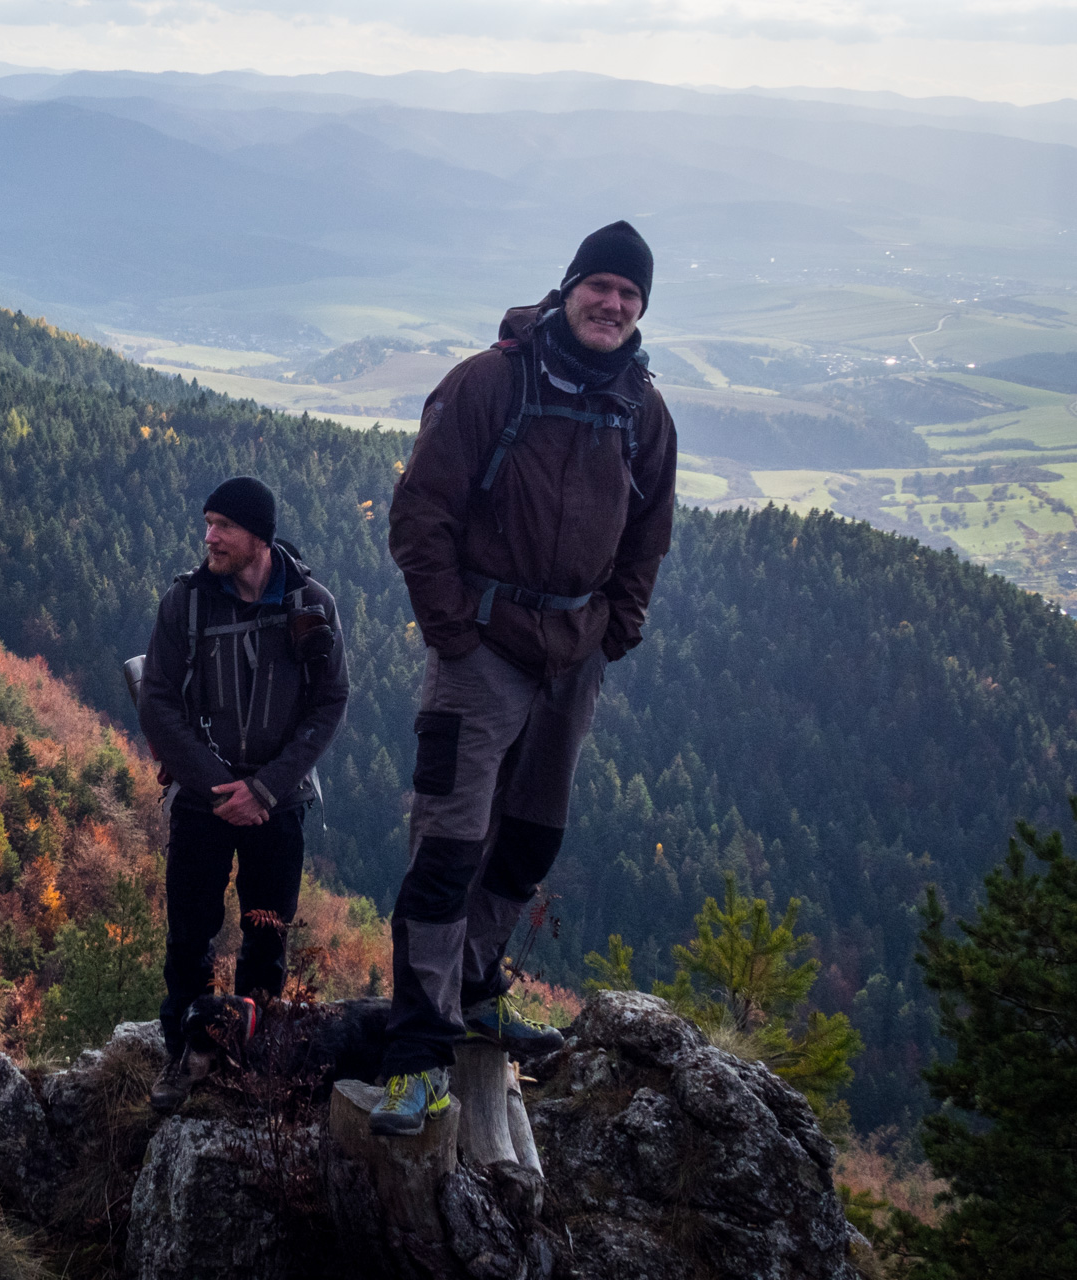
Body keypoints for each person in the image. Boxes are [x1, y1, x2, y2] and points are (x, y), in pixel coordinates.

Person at [370, 222, 678, 1135]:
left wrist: (616, 629)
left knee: (529, 840)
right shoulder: (491, 382)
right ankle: (416, 1052)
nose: (613, 304)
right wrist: (453, 633)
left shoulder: (642, 410)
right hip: (484, 651)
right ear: (570, 287)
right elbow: (418, 512)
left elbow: (648, 532)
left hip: (573, 656)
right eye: (602, 287)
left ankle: (477, 991)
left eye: (631, 295)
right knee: (447, 849)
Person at [137, 476, 349, 1113]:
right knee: (189, 937)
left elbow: (330, 703)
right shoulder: (188, 603)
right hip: (205, 803)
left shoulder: (311, 604)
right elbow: (158, 705)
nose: (209, 538)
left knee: (267, 938)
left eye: (223, 526)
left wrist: (264, 788)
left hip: (277, 805)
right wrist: (218, 785)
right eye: (208, 524)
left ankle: (256, 1059)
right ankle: (187, 1052)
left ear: (259, 534)